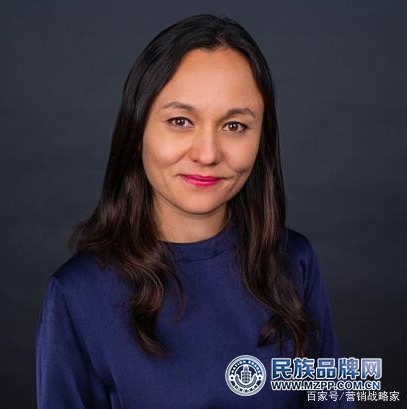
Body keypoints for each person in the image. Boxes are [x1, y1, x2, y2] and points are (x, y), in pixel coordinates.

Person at [35, 14, 355, 408]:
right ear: (137, 131)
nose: (207, 154)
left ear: (262, 138)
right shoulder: (77, 293)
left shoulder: (296, 260)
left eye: (234, 126)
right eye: (180, 121)